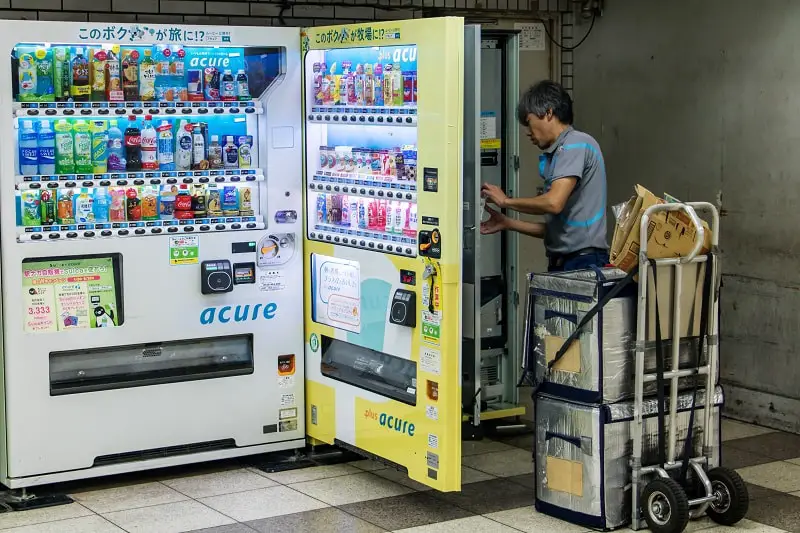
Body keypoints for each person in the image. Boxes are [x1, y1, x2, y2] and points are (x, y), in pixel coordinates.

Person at [480, 80, 608, 272]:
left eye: (529, 122)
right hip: (567, 261)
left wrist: (506, 201)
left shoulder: (576, 143)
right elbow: (556, 232)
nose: (527, 132)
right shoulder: (559, 152)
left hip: (583, 262)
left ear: (548, 113)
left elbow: (553, 203)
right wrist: (507, 222)